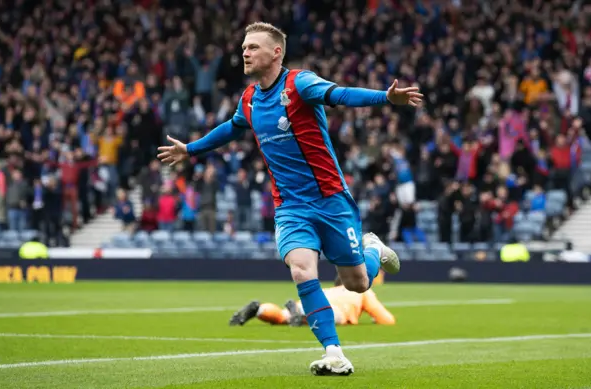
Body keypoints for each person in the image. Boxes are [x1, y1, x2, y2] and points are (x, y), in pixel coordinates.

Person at [157, 22, 423, 376]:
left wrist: (384, 98)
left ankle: (371, 247)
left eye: (253, 47)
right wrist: (190, 149)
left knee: (357, 282)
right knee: (301, 270)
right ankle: (334, 353)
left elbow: (341, 94)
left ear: (275, 52)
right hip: (291, 207)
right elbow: (232, 128)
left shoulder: (300, 83)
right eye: (244, 47)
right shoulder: (250, 98)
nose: (245, 53)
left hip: (331, 201)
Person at [229, 276, 395, 327]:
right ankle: (299, 313)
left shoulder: (329, 289)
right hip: (336, 310)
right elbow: (386, 319)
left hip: (311, 300)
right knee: (326, 317)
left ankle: (260, 310)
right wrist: (375, 319)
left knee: (281, 317)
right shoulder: (361, 291)